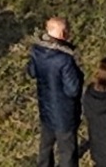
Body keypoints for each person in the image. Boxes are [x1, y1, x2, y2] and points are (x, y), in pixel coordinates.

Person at [29, 16, 85, 167]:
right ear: (62, 34)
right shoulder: (65, 59)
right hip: (64, 113)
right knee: (67, 151)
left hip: (45, 108)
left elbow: (32, 72)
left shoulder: (36, 50)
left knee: (46, 145)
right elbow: (72, 89)